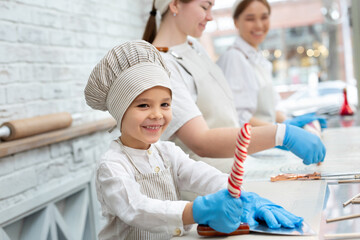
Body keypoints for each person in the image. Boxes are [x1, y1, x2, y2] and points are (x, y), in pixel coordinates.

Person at [84, 40, 303, 240]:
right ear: (120, 111)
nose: (157, 114)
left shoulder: (168, 152)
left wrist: (247, 198)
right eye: (143, 105)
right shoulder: (112, 166)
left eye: (165, 104)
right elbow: (136, 209)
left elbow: (202, 176)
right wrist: (195, 211)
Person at [142, 0, 326, 171]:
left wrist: (280, 130)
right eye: (204, 7)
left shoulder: (194, 47)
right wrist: (280, 134)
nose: (210, 16)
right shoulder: (161, 65)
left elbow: (225, 116)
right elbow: (201, 141)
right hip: (206, 183)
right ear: (175, 5)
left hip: (235, 166)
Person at [217, 0, 327, 129]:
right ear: (236, 22)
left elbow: (272, 109)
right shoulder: (234, 58)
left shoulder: (259, 59)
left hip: (265, 140)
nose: (259, 25)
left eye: (264, 17)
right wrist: (282, 132)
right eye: (250, 19)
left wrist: (294, 124)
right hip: (251, 144)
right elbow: (239, 117)